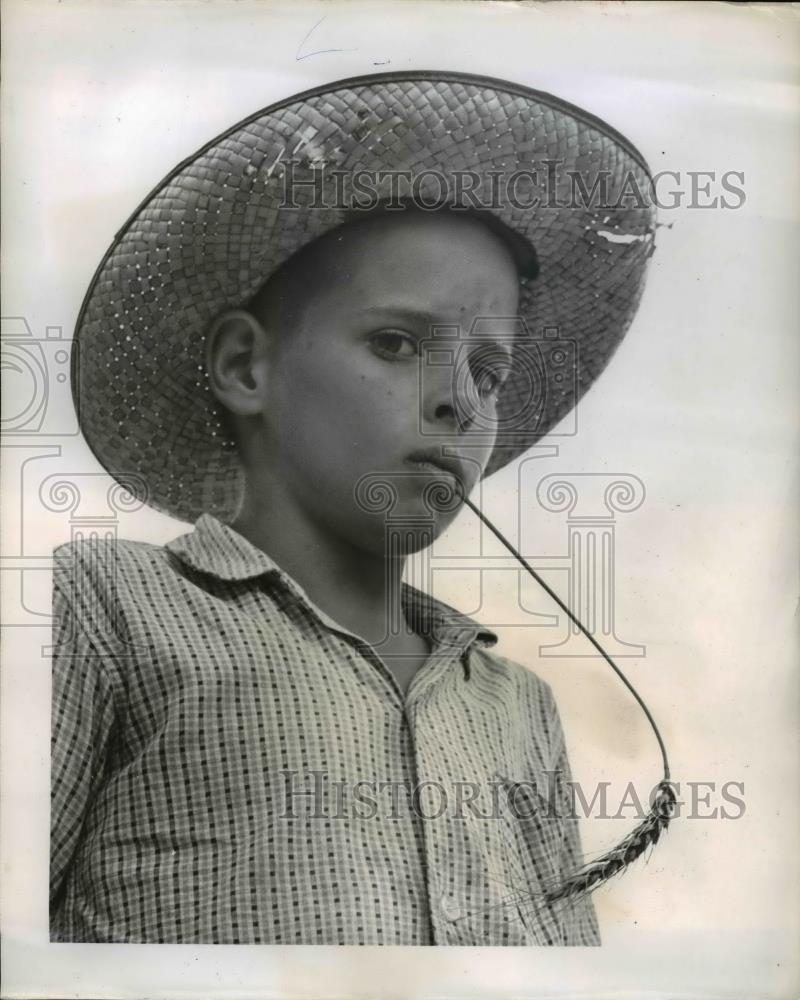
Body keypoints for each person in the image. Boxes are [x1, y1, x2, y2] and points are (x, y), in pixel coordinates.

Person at [50, 71, 656, 945]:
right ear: (245, 369)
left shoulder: (516, 706)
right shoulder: (107, 607)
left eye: (488, 372)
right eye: (396, 343)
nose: (461, 403)